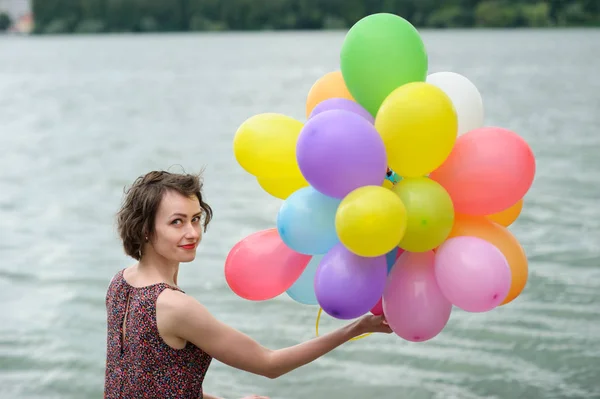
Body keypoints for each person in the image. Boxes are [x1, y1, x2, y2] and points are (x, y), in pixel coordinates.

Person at [104, 170, 393, 399]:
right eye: (176, 222)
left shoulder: (121, 283)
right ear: (145, 229)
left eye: (195, 218)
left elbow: (145, 385)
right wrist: (356, 328)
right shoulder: (173, 306)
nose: (192, 232)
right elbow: (268, 364)